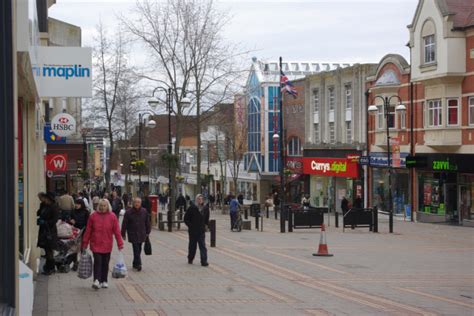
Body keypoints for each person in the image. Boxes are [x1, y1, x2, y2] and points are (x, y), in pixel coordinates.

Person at [81, 199, 124, 290]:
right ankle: (96, 280)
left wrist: (120, 243)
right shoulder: (93, 216)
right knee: (97, 261)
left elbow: (117, 231)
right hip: (95, 243)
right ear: (98, 206)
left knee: (105, 262)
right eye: (101, 205)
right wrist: (85, 243)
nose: (103, 207)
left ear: (108, 206)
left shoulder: (112, 217)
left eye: (104, 206)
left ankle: (104, 280)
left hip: (107, 244)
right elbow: (88, 231)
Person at [121, 198, 151, 271]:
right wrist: (123, 233)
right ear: (133, 203)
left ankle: (135, 262)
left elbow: (147, 222)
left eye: (138, 202)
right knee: (136, 248)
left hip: (141, 233)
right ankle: (139, 264)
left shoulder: (144, 211)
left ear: (140, 203)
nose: (137, 204)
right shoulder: (128, 212)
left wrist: (148, 231)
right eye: (135, 202)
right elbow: (124, 224)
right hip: (132, 233)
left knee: (139, 248)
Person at [37, 192, 59, 275]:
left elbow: (54, 220)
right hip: (43, 230)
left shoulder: (54, 207)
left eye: (45, 198)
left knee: (49, 249)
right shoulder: (44, 205)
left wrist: (45, 222)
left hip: (50, 231)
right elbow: (39, 213)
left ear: (49, 199)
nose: (44, 200)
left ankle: (51, 268)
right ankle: (48, 266)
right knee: (46, 249)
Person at [184, 194, 209, 266]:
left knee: (202, 246)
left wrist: (206, 226)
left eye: (201, 199)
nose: (200, 200)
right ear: (196, 200)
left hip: (201, 231)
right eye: (198, 199)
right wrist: (190, 226)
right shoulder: (191, 208)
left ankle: (204, 261)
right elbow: (186, 219)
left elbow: (206, 219)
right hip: (193, 231)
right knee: (192, 246)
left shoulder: (205, 208)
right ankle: (190, 258)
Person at [70, 199, 90, 271]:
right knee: (74, 249)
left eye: (78, 204)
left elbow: (88, 223)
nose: (76, 205)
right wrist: (71, 221)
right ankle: (75, 263)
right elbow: (70, 220)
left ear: (82, 204)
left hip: (83, 232)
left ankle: (82, 264)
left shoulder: (86, 212)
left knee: (82, 249)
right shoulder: (73, 211)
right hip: (75, 232)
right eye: (76, 203)